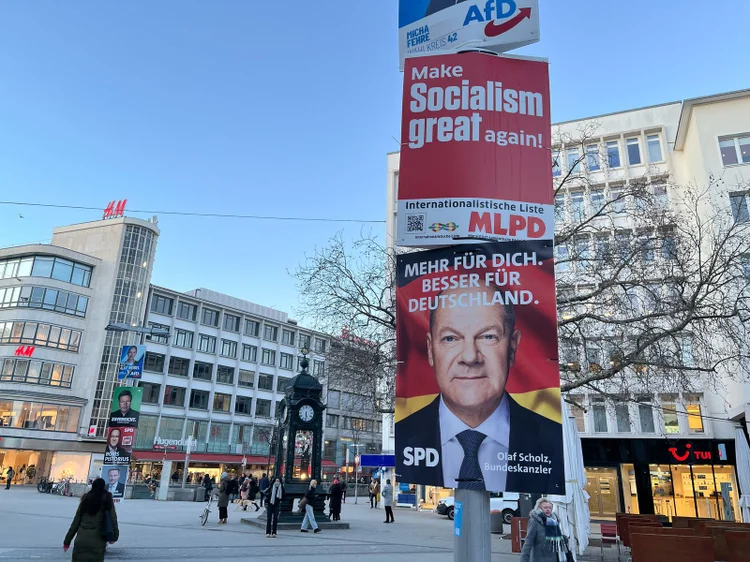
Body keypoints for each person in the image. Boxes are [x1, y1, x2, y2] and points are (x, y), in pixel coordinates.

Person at [395, 283, 564, 493]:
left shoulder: (554, 441)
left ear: (512, 346)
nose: (469, 357)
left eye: (488, 337)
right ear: (431, 350)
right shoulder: (404, 433)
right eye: (450, 338)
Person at [63, 477, 119, 561]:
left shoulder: (85, 499)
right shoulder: (107, 499)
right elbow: (113, 519)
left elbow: (75, 523)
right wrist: (115, 536)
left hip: (81, 540)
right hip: (98, 542)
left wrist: (67, 542)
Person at [520, 498, 565, 562]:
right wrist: (524, 559)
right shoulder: (534, 521)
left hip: (554, 558)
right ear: (539, 509)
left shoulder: (554, 521)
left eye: (550, 508)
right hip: (539, 558)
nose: (548, 509)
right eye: (545, 507)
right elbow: (528, 542)